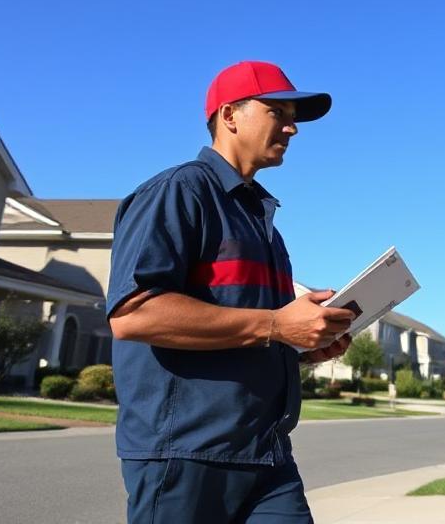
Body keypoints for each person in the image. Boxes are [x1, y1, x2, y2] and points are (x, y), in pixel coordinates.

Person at [106, 61, 357, 523]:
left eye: (293, 116)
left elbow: (247, 331)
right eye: (278, 111)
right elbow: (134, 315)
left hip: (267, 453)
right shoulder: (178, 192)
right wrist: (279, 324)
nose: (292, 127)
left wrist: (303, 345)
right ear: (230, 116)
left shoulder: (263, 225)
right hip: (187, 453)